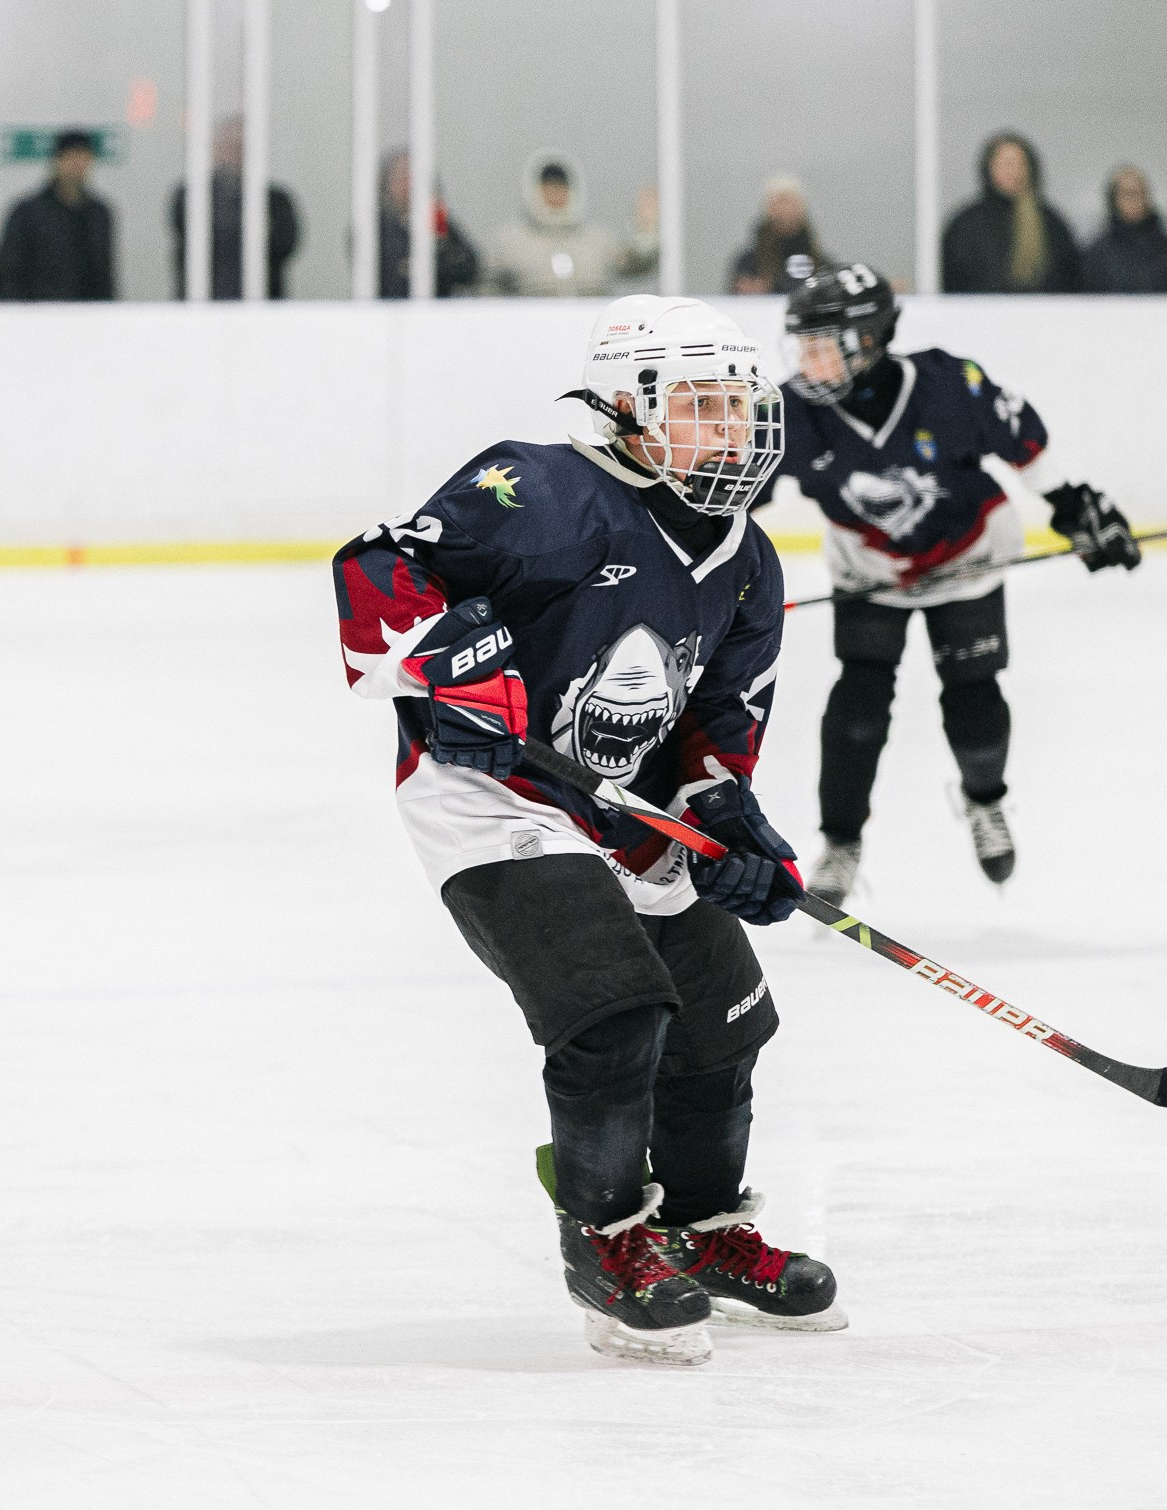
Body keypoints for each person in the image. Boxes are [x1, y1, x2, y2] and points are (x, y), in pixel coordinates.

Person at [331, 294, 837, 1368]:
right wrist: (446, 655)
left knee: (725, 1019)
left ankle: (701, 1231)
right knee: (612, 1008)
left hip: (621, 810)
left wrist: (727, 823)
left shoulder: (750, 562)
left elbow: (717, 723)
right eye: (699, 408)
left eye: (739, 409)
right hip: (493, 800)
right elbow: (375, 569)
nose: (730, 432)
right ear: (624, 407)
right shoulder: (541, 489)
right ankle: (607, 1242)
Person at [767, 265, 1139, 903]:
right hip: (871, 568)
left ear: (868, 340)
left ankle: (984, 801)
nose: (807, 362)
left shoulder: (947, 386)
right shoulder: (793, 411)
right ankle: (841, 841)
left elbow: (1024, 445)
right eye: (801, 346)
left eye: (822, 346)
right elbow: (741, 492)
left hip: (965, 555)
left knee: (974, 702)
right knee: (857, 707)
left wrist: (1078, 508)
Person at [168, 118, 302, 300]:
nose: (237, 153)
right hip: (201, 307)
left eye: (243, 147)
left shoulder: (276, 200)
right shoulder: (191, 196)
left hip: (263, 308)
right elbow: (194, 237)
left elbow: (285, 245)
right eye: (231, 146)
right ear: (216, 149)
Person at [485, 156, 656, 297]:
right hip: (532, 330)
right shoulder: (511, 242)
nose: (554, 195)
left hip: (589, 328)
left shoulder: (597, 240)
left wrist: (646, 232)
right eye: (547, 189)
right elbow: (487, 288)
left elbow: (636, 265)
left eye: (560, 188)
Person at [942, 133, 1081, 294]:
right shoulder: (965, 225)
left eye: (1020, 164)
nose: (1013, 171)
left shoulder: (1051, 223)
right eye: (1006, 164)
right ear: (989, 168)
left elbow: (1069, 278)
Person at [0, 130, 116, 302]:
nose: (77, 165)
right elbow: (4, 274)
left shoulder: (99, 214)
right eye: (70, 158)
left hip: (86, 319)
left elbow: (103, 276)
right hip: (36, 317)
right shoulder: (28, 212)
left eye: (83, 158)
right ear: (57, 161)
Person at [376, 147, 479, 299]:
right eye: (401, 177)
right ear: (386, 183)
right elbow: (392, 272)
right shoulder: (375, 226)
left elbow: (468, 266)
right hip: (390, 315)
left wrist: (430, 264)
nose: (408, 183)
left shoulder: (435, 219)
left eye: (414, 175)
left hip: (436, 314)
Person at [1079, 164, 1167, 294]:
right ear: (1114, 199)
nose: (1135, 200)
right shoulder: (1096, 255)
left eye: (1141, 193)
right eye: (1128, 194)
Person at [726, 174, 826, 295]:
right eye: (777, 201)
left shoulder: (822, 265)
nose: (784, 208)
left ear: (801, 207)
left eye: (789, 201)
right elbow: (731, 301)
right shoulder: (748, 264)